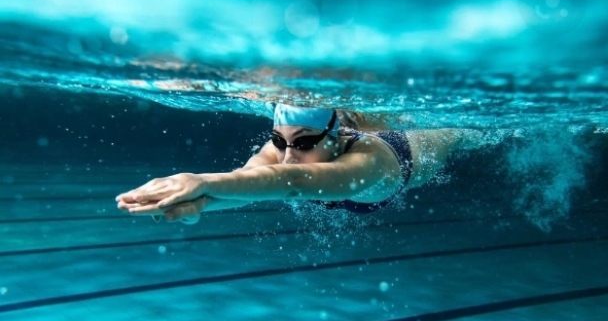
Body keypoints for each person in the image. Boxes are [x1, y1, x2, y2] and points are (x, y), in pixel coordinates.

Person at [116, 103, 462, 223]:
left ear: (335, 137)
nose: (287, 156)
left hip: (421, 147)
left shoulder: (370, 161)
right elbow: (247, 183)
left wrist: (201, 181)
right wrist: (200, 204)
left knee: (462, 132)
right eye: (279, 141)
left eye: (304, 142)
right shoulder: (283, 152)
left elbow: (294, 182)